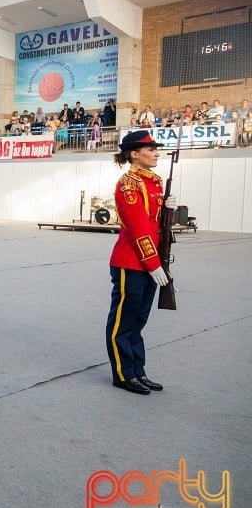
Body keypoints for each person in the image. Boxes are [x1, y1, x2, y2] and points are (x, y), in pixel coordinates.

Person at [105, 130, 176, 396]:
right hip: (132, 261)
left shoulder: (155, 181)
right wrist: (153, 263)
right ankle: (123, 374)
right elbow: (138, 227)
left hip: (150, 262)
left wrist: (169, 208)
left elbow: (157, 223)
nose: (156, 152)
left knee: (138, 320)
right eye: (151, 149)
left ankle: (138, 371)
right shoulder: (129, 184)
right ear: (135, 154)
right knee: (123, 322)